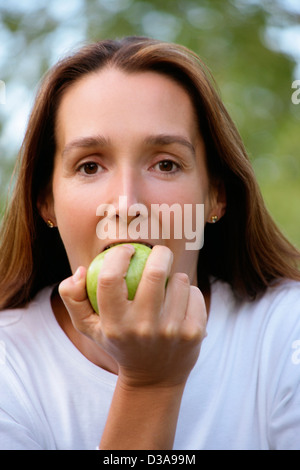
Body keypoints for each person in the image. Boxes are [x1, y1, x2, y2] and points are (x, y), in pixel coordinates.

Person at [0, 36, 300, 451]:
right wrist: (150, 385)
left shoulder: (287, 330)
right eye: (90, 166)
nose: (128, 204)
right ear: (45, 202)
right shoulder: (7, 365)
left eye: (165, 163)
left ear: (217, 193)